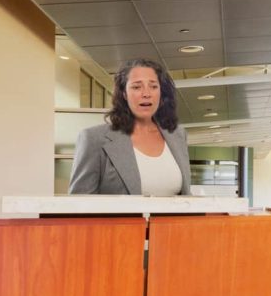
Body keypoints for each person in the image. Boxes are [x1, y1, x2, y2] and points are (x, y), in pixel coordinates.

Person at [68, 58, 191, 196]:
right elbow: (79, 203)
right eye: (137, 87)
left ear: (161, 93)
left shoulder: (177, 135)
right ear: (124, 94)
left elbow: (185, 196)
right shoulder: (93, 138)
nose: (146, 93)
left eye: (153, 86)